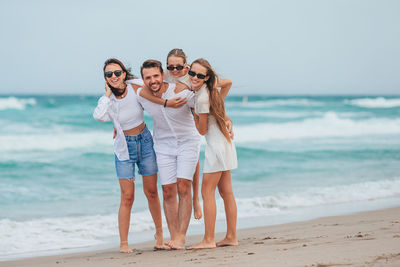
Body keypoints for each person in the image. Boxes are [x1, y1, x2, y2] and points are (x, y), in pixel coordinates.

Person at [93, 58, 173, 252]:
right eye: (109, 74)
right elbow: (99, 116)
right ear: (105, 78)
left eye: (117, 72)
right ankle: (124, 243)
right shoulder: (107, 100)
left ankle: (160, 236)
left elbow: (154, 86)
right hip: (124, 148)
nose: (114, 77)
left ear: (124, 73)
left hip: (145, 142)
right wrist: (107, 94)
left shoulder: (135, 85)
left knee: (152, 192)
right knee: (127, 197)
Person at [136, 59, 200, 249]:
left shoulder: (179, 90)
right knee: (168, 191)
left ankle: (181, 236)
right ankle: (173, 236)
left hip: (188, 141)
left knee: (183, 186)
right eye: (148, 77)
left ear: (162, 75)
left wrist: (224, 120)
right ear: (143, 79)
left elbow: (203, 104)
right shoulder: (142, 95)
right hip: (162, 145)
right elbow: (126, 105)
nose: (152, 80)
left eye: (156, 76)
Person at [164, 48, 233, 219]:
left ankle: (196, 205)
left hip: (198, 123)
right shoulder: (166, 75)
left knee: (206, 185)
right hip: (195, 122)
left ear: (186, 65)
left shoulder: (194, 78)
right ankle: (230, 236)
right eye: (170, 67)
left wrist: (219, 109)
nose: (174, 71)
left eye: (178, 67)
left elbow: (227, 83)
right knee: (226, 191)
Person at [187, 58, 238, 249]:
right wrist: (210, 83)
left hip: (215, 147)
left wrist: (194, 115)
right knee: (226, 192)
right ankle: (231, 236)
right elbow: (229, 82)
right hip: (226, 144)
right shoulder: (212, 92)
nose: (194, 77)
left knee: (206, 192)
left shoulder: (201, 98)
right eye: (192, 73)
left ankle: (209, 239)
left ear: (206, 77)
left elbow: (201, 131)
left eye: (200, 75)